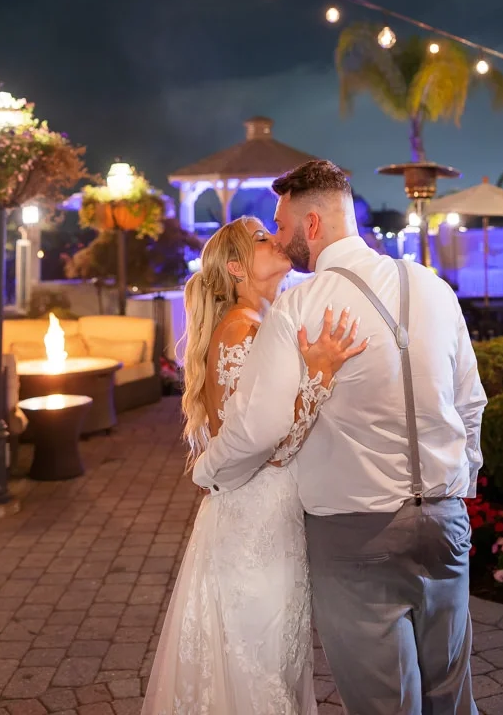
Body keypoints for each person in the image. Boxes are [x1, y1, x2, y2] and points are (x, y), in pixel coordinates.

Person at [194, 160, 488, 715]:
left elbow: (257, 427)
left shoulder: (301, 306)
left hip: (356, 535)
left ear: (310, 225)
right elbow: (470, 402)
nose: (278, 238)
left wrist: (209, 470)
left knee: (385, 704)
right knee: (451, 694)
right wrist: (459, 485)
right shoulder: (433, 287)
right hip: (447, 525)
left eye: (281, 226)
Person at [142, 215, 366, 715]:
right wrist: (322, 374)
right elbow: (273, 444)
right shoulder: (244, 330)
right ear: (239, 268)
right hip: (255, 519)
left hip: (260, 509)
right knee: (259, 659)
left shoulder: (258, 322)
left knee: (269, 654)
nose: (277, 240)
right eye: (262, 239)